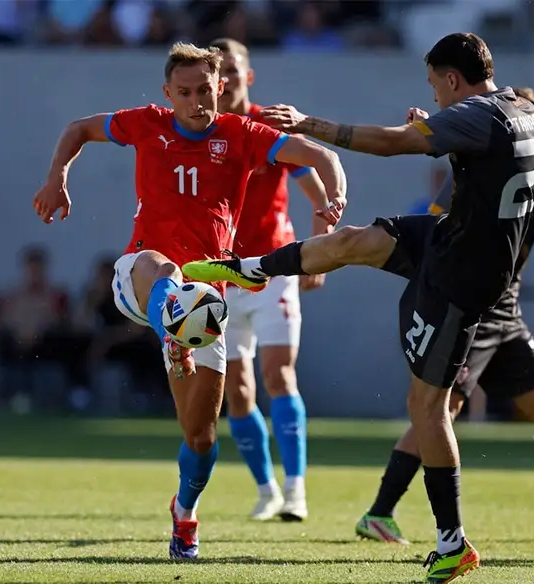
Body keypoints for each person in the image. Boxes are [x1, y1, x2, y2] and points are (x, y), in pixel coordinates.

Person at [184, 32, 534, 583]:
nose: (436, 94)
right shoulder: (523, 109)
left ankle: (452, 542)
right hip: (456, 237)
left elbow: (391, 142)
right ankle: (249, 266)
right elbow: (489, 157)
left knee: (427, 406)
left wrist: (313, 124)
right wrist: (442, 127)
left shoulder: (472, 114)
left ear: (452, 77)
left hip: (464, 274)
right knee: (354, 241)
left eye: (436, 84)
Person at [31, 42, 347, 560]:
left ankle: (184, 512)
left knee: (200, 438)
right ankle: (173, 321)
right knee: (163, 268)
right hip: (142, 275)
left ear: (221, 88)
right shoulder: (146, 123)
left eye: (205, 90)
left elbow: (320, 155)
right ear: (167, 93)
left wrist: (333, 199)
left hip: (207, 301)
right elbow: (78, 129)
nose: (196, 101)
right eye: (184, 92)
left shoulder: (242, 135)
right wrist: (57, 177)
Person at [354, 87, 534, 548]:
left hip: (507, 314)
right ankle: (379, 512)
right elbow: (435, 232)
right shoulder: (474, 174)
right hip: (469, 306)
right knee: (441, 409)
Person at [210, 37, 332, 522]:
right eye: (219, 74)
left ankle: (296, 488)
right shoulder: (202, 131)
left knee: (278, 375)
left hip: (274, 266)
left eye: (234, 71)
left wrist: (319, 251)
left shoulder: (269, 128)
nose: (228, 81)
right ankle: (266, 489)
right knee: (236, 392)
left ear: (248, 75)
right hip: (220, 274)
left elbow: (315, 186)